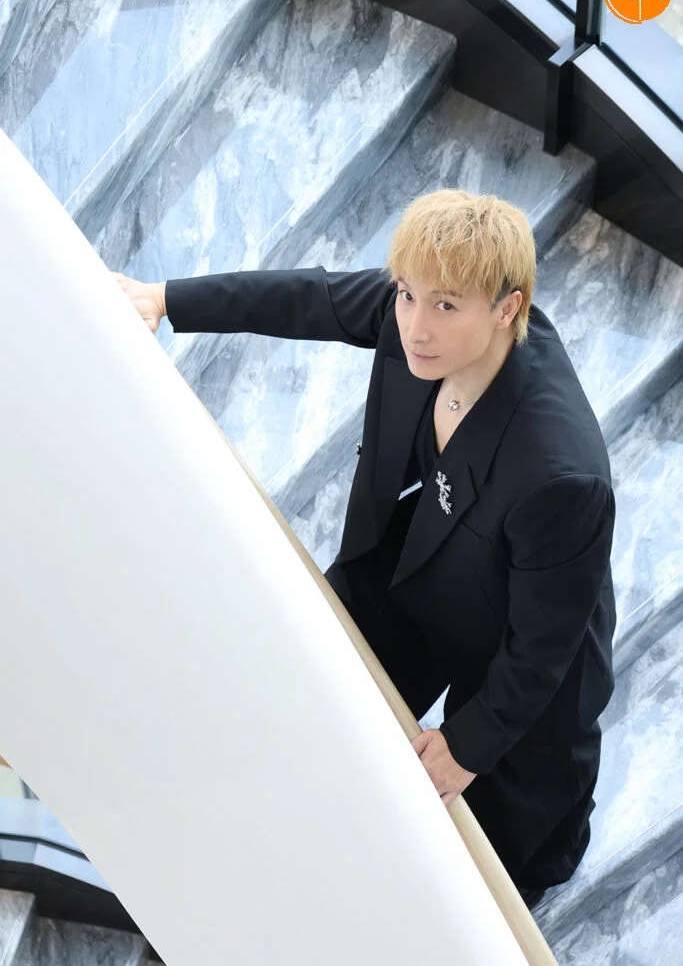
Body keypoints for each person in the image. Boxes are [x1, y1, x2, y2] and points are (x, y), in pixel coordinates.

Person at [114, 189, 617, 911]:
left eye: (445, 306)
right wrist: (163, 299)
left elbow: (542, 650)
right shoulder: (413, 314)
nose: (415, 326)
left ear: (507, 309)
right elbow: (311, 299)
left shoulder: (560, 472)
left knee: (497, 847)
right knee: (311, 698)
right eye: (407, 295)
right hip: (424, 565)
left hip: (522, 646)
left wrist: (467, 746)